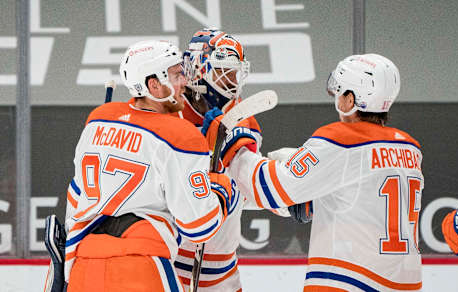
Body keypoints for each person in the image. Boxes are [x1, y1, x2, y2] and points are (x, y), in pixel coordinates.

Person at [204, 54, 424, 291]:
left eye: (339, 92)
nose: (337, 98)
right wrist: (316, 197)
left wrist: (234, 149)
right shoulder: (410, 148)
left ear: (350, 100)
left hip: (350, 282)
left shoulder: (340, 139)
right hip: (405, 281)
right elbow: (359, 193)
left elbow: (270, 188)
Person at [61, 40, 235, 292]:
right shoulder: (181, 135)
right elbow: (200, 226)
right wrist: (218, 184)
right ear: (153, 84)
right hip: (140, 269)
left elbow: (75, 197)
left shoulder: (98, 118)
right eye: (176, 75)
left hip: (84, 268)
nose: (183, 82)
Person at [171, 28, 262, 292]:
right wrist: (200, 143)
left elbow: (242, 190)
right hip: (169, 262)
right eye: (224, 72)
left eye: (235, 72)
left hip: (220, 267)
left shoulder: (243, 118)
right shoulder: (168, 112)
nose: (232, 81)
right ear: (198, 70)